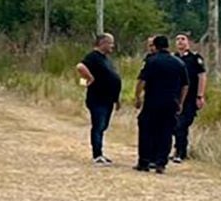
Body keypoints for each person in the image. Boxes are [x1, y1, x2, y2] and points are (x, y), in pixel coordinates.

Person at [133, 34, 189, 173]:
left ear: (156, 46)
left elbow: (142, 80)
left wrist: (137, 97)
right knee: (166, 132)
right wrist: (181, 102)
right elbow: (185, 85)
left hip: (152, 101)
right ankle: (161, 163)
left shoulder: (151, 61)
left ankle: (144, 162)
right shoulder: (178, 63)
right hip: (171, 102)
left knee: (146, 130)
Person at [76, 33, 122, 165]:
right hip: (98, 99)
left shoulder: (105, 59)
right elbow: (80, 67)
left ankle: (100, 152)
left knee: (103, 126)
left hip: (108, 99)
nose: (112, 46)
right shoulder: (93, 57)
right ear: (103, 43)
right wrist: (89, 78)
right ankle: (97, 154)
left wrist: (116, 99)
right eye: (110, 43)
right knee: (98, 125)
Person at [172, 32, 207, 163]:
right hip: (176, 96)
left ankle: (181, 152)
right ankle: (178, 149)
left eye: (183, 39)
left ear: (188, 42)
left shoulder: (194, 59)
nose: (180, 42)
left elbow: (202, 76)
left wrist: (200, 95)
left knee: (182, 124)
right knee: (174, 125)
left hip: (190, 97)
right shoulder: (173, 58)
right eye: (177, 39)